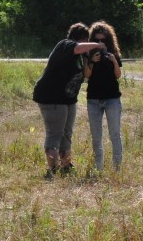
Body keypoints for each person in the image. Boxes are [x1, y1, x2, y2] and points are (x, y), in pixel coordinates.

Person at [32, 22, 107, 178]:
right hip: (51, 97)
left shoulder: (81, 55)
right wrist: (98, 45)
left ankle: (66, 166)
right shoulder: (65, 44)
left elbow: (87, 74)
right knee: (54, 134)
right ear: (82, 38)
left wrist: (91, 59)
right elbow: (78, 47)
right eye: (87, 40)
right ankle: (52, 170)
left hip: (67, 99)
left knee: (66, 133)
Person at [84, 20, 123, 172]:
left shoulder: (114, 53)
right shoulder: (88, 54)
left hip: (112, 98)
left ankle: (117, 168)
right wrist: (92, 61)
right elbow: (87, 75)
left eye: (103, 40)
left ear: (108, 40)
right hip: (93, 98)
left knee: (114, 133)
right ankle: (98, 168)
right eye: (97, 40)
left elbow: (118, 75)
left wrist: (113, 61)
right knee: (96, 135)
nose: (100, 43)